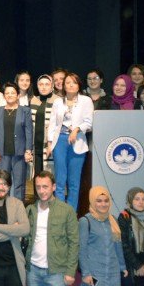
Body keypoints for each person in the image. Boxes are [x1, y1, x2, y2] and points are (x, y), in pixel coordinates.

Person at [25, 170, 78, 286]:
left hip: (56, 272)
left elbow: (74, 242)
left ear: (54, 187)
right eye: (39, 187)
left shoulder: (67, 211)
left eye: (45, 187)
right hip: (33, 271)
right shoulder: (30, 210)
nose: (42, 191)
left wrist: (70, 271)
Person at [80, 186, 127, 286]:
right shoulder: (85, 221)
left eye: (106, 200)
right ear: (93, 201)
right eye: (99, 201)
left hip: (113, 271)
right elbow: (82, 249)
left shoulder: (112, 219)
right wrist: (85, 273)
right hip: (94, 271)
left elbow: (118, 246)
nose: (103, 204)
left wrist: (123, 266)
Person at [46, 72, 94, 211]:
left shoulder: (86, 100)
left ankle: (71, 213)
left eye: (74, 82)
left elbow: (89, 122)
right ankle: (60, 211)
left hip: (77, 141)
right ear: (63, 86)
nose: (70, 85)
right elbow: (53, 124)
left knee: (74, 181)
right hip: (60, 141)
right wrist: (50, 143)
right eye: (67, 82)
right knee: (60, 180)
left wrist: (77, 129)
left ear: (79, 85)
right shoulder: (58, 101)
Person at [0, 82, 33, 202]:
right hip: (2, 154)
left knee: (19, 183)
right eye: (7, 93)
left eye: (13, 92)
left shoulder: (25, 111)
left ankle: (18, 210)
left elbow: (29, 132)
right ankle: (3, 208)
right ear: (3, 95)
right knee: (3, 183)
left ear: (18, 95)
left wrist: (28, 150)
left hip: (19, 153)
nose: (10, 95)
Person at [30, 74, 55, 179]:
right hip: (36, 146)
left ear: (52, 86)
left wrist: (51, 144)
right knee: (37, 176)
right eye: (41, 84)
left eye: (47, 84)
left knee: (49, 176)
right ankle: (37, 196)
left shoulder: (57, 101)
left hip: (49, 146)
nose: (43, 87)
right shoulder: (33, 100)